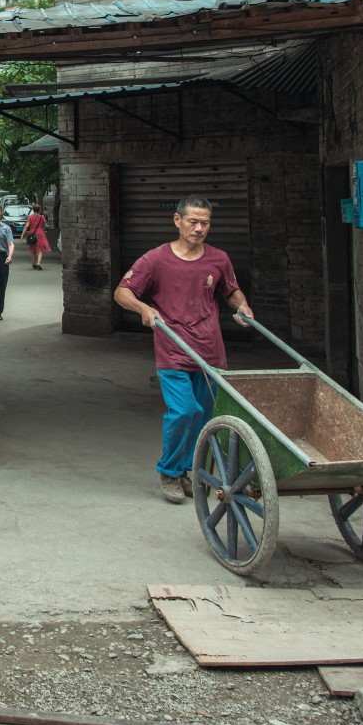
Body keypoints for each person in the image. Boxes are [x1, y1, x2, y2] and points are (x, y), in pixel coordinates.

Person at [112, 195, 254, 505]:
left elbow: (230, 291)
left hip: (211, 353)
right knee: (184, 411)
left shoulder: (219, 259)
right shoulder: (156, 259)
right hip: (173, 350)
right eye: (193, 221)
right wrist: (142, 308)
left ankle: (186, 471)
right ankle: (168, 470)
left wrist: (242, 305)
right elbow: (122, 292)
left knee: (203, 417)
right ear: (177, 221)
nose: (199, 228)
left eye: (205, 222)